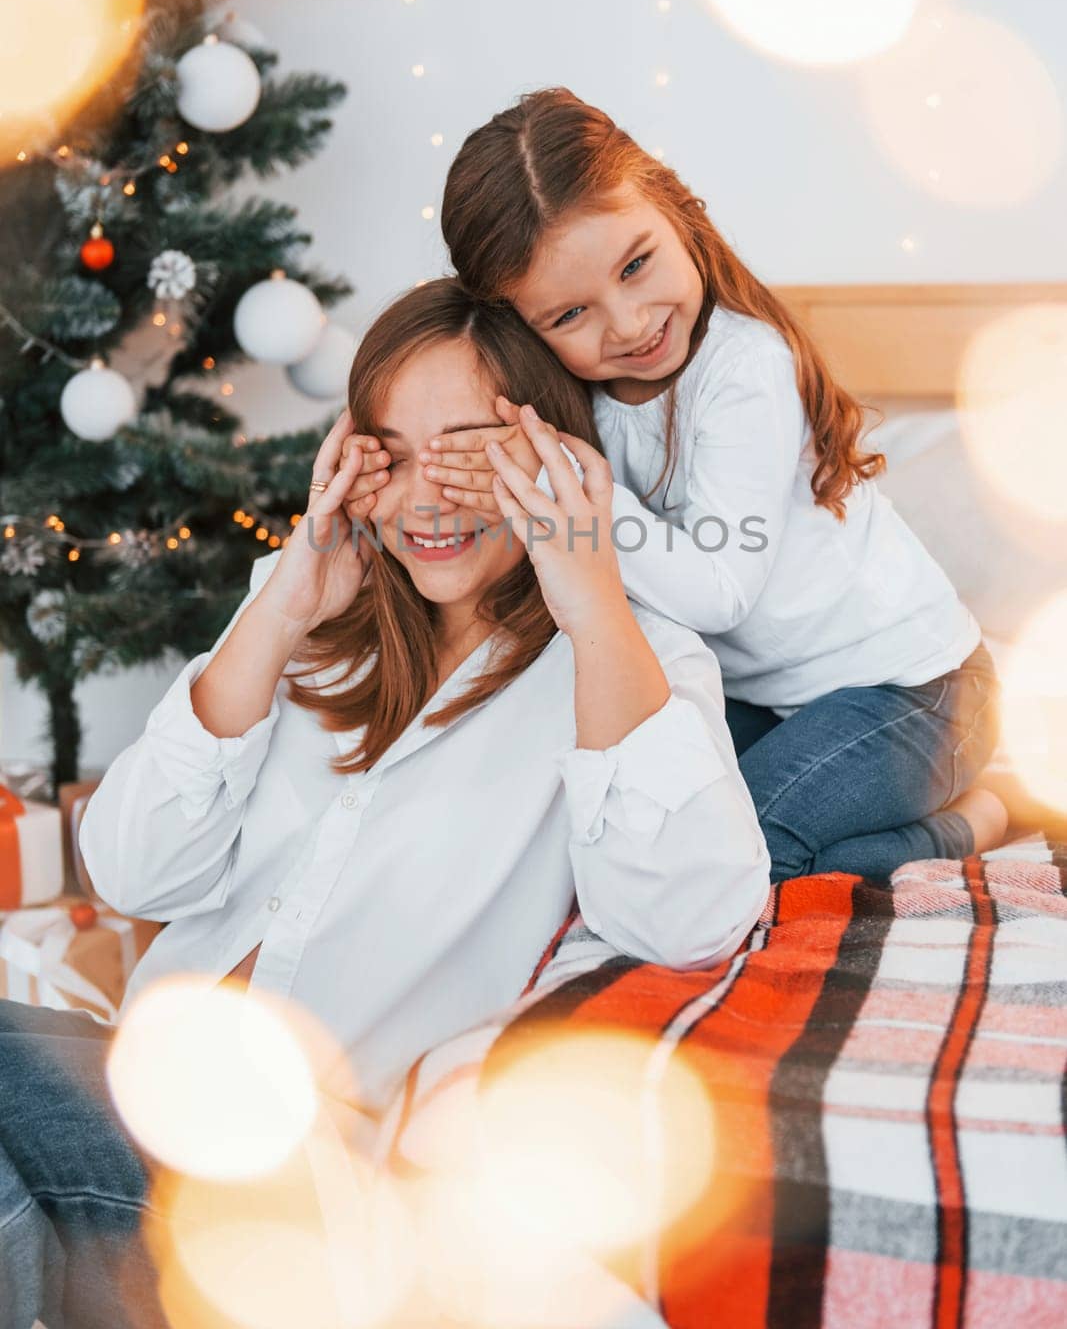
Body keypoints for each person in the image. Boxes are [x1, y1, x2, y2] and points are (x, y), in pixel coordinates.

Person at [1, 279, 769, 1329]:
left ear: (556, 457)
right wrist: (280, 607)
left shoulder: (625, 658)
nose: (424, 499)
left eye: (469, 453)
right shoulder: (308, 618)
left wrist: (588, 589)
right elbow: (133, 869)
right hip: (140, 1096)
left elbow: (692, 917)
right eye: (392, 454)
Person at [379, 86, 1006, 881]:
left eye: (636, 265)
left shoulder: (744, 370)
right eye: (569, 315)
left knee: (739, 860)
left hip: (914, 689)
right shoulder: (570, 403)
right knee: (628, 824)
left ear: (678, 213)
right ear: (522, 326)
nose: (630, 323)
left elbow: (717, 595)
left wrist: (581, 493)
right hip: (764, 697)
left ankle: (968, 821)